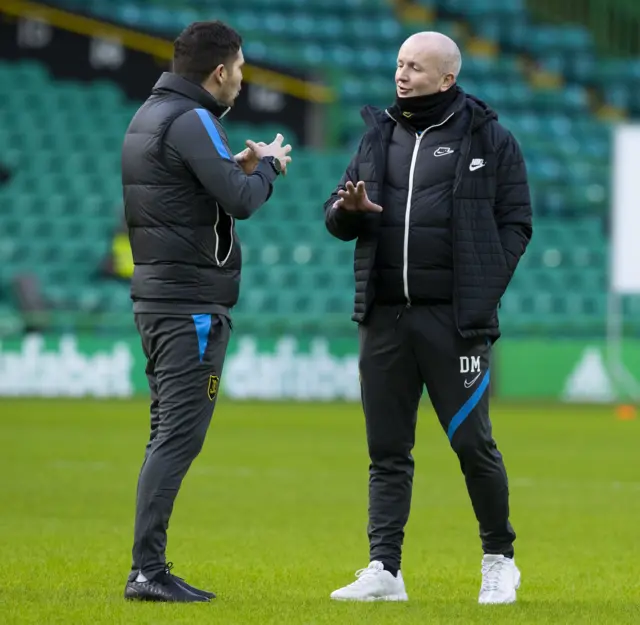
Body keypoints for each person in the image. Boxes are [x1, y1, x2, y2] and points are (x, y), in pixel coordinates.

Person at [324, 31, 532, 605]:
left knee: (472, 445)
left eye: (415, 67)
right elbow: (335, 215)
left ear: (446, 78)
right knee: (387, 451)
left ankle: (499, 560)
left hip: (454, 323)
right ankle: (384, 569)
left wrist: (485, 285)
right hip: (385, 318)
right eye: (399, 64)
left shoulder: (490, 138)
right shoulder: (377, 135)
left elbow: (517, 221)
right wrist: (349, 210)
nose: (402, 74)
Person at [121, 21, 291, 603]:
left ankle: (148, 567)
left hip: (159, 297)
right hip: (188, 304)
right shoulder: (193, 120)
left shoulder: (151, 114)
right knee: (179, 438)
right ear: (219, 71)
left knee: (165, 435)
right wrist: (267, 164)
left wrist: (235, 168)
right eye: (240, 70)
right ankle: (148, 571)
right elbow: (240, 201)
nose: (242, 81)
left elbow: (189, 190)